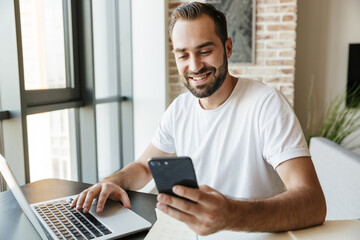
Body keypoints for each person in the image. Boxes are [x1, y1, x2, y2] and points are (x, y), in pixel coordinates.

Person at [72, 2, 326, 235]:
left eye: (204, 51)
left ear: (227, 47)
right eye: (183, 55)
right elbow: (143, 166)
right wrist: (112, 181)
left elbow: (313, 202)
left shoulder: (266, 104)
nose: (194, 66)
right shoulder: (180, 109)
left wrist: (231, 214)